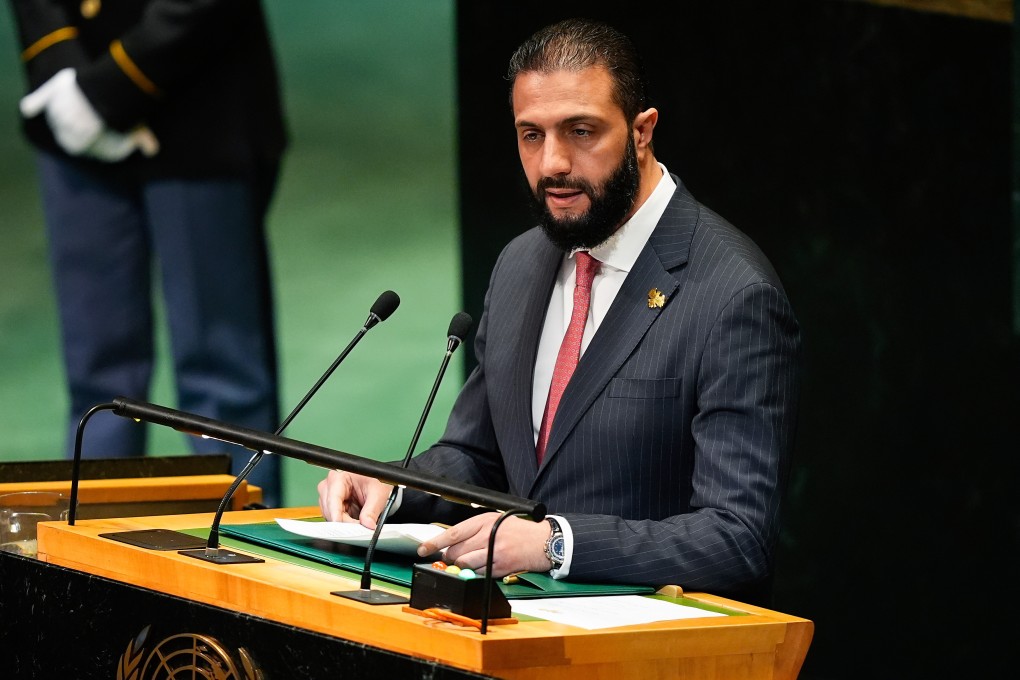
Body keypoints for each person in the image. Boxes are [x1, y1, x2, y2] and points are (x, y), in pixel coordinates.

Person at [318, 18, 801, 602]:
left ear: (642, 131)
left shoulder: (731, 294)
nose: (552, 164)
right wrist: (391, 487)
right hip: (504, 630)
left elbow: (737, 537)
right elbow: (479, 454)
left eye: (580, 131)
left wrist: (557, 544)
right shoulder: (522, 263)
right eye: (531, 135)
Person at [9, 0, 287, 506]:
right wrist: (61, 73)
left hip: (201, 106)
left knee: (221, 381)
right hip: (71, 117)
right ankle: (89, 562)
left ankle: (238, 560)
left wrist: (105, 91)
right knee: (98, 384)